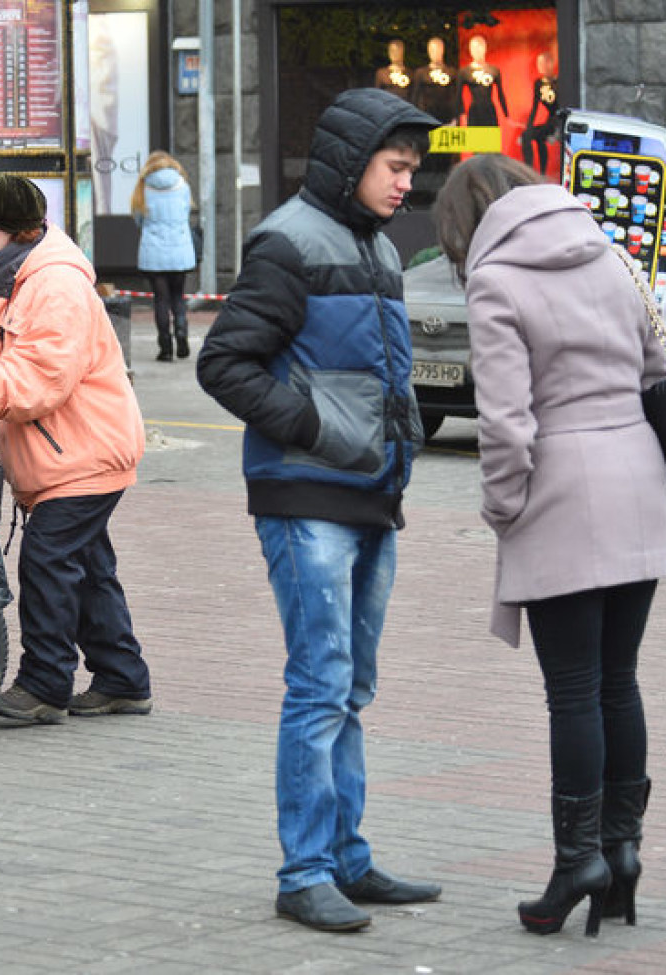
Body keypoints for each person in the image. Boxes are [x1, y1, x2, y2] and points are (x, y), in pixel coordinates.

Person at [195, 88, 442, 933]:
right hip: (309, 499)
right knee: (321, 684)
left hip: (371, 497)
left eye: (412, 170)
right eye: (397, 167)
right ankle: (304, 871)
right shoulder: (289, 242)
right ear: (351, 162)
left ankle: (346, 858)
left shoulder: (374, 246)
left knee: (351, 686)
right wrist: (311, 427)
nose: (408, 183)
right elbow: (224, 363)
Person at [433, 154, 666, 937]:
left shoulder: (496, 279)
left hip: (563, 496)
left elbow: (506, 423)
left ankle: (578, 862)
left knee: (572, 692)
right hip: (638, 484)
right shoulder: (610, 255)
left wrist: (503, 510)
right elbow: (655, 368)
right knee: (619, 681)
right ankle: (622, 849)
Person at [0, 174, 151, 724]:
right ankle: (123, 678)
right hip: (59, 456)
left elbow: (44, 373)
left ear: (12, 230)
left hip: (83, 453)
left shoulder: (55, 284)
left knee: (48, 562)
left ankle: (45, 683)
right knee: (87, 567)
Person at [131, 150, 196, 362]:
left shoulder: (143, 187)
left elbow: (139, 220)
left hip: (153, 252)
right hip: (180, 251)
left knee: (161, 300)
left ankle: (165, 347)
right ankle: (181, 332)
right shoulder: (183, 186)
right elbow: (186, 214)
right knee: (178, 297)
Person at [520, 53, 560, 174]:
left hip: (558, 120)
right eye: (539, 64)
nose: (540, 67)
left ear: (551, 64)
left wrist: (558, 130)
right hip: (550, 120)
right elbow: (535, 108)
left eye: (543, 63)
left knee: (541, 134)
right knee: (528, 135)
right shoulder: (539, 83)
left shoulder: (559, 82)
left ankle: (542, 171)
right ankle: (530, 170)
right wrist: (529, 126)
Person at [460, 35, 508, 126]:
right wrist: (462, 115)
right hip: (474, 112)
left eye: (479, 48)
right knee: (475, 139)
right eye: (473, 48)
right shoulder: (464, 72)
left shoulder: (494, 70)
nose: (476, 51)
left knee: (490, 139)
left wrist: (507, 115)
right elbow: (458, 95)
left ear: (484, 49)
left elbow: (500, 94)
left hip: (489, 111)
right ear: (470, 50)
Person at [412, 36, 458, 124]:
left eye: (438, 50)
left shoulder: (451, 72)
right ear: (428, 51)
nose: (435, 53)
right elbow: (415, 95)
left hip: (447, 116)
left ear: (442, 50)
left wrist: (456, 116)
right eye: (432, 50)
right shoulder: (421, 72)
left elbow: (455, 94)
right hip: (427, 115)